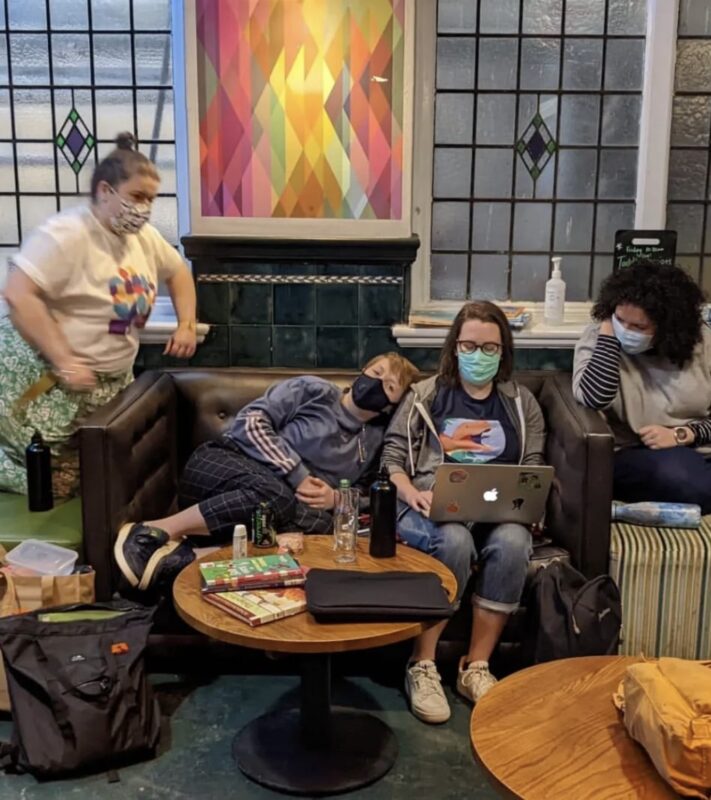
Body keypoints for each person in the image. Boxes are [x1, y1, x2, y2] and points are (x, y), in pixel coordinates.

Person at [114, 352, 420, 594]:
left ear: (390, 407)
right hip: (222, 465)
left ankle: (188, 557)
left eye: (389, 387)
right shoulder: (313, 390)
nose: (377, 384)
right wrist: (297, 473)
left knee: (318, 529)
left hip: (271, 510)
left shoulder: (374, 439)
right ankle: (154, 530)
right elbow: (250, 422)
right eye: (376, 373)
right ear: (362, 372)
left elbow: (372, 494)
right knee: (276, 498)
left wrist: (335, 498)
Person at [0, 132, 197, 501]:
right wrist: (65, 360)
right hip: (47, 379)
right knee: (48, 479)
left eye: (151, 200)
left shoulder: (145, 238)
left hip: (106, 381)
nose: (144, 208)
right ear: (105, 191)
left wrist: (186, 323)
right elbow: (17, 293)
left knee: (89, 481)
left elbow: (178, 272)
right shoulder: (66, 234)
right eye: (137, 197)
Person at [381, 301, 545, 724]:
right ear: (454, 346)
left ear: (504, 352)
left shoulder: (521, 403)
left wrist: (526, 504)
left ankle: (476, 667)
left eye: (490, 348)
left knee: (513, 541)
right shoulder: (426, 394)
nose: (479, 355)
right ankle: (423, 665)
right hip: (429, 508)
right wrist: (409, 492)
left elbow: (532, 467)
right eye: (470, 345)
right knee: (453, 538)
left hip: (495, 512)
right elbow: (393, 456)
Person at [573, 260, 711, 512]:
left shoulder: (703, 344)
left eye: (639, 327)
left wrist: (683, 434)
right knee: (687, 480)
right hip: (637, 453)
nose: (626, 331)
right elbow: (595, 398)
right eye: (620, 319)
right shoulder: (599, 338)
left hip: (696, 445)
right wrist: (607, 336)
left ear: (669, 327)